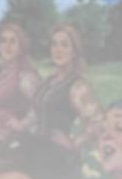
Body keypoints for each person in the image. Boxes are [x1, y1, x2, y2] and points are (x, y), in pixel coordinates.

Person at [35, 24, 101, 152]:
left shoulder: (77, 85)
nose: (58, 50)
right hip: (37, 147)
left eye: (64, 45)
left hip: (57, 155)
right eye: (54, 44)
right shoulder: (49, 80)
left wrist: (75, 142)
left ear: (74, 52)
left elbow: (99, 122)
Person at [0, 21, 39, 149]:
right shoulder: (0, 73)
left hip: (13, 144)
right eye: (3, 41)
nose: (7, 46)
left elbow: (41, 104)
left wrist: (22, 124)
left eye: (12, 41)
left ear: (21, 48)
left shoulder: (25, 76)